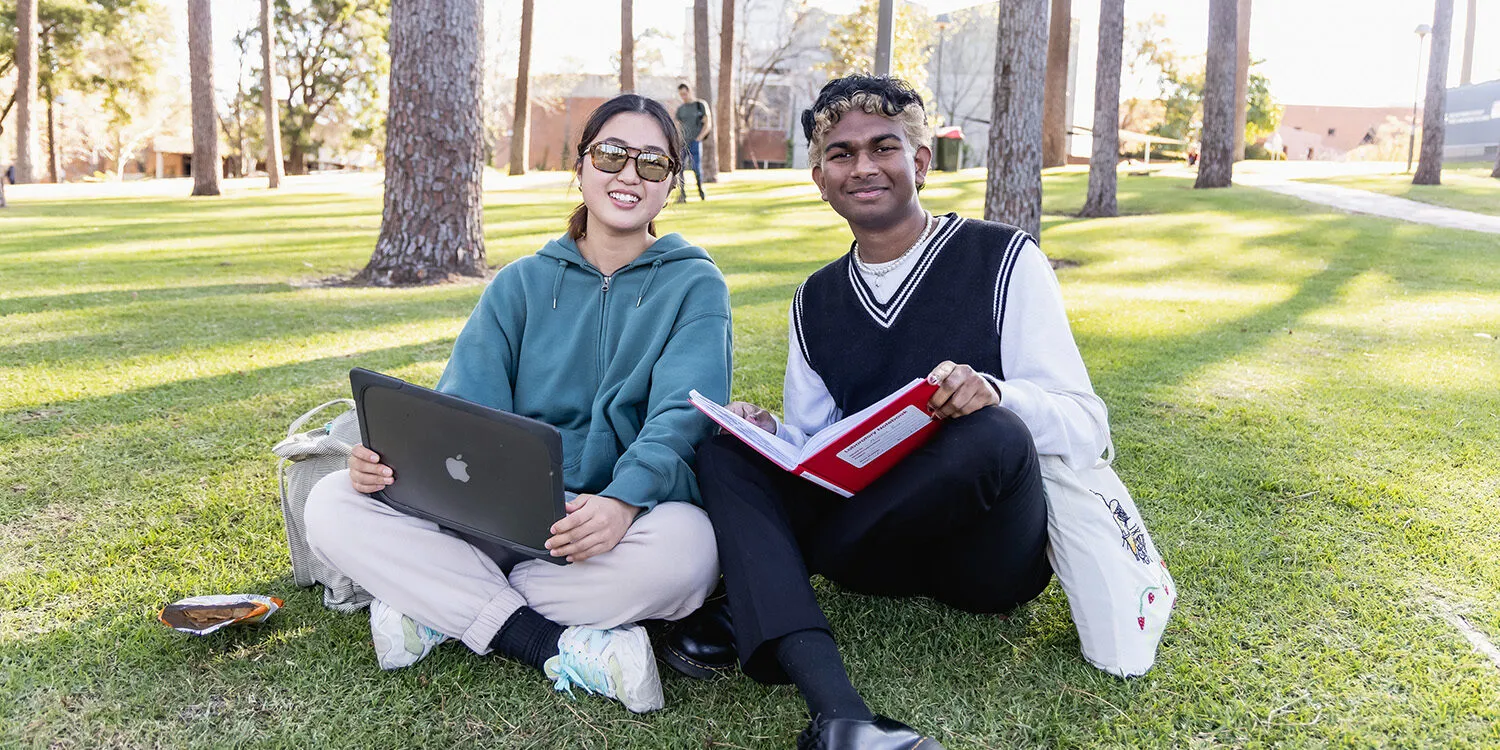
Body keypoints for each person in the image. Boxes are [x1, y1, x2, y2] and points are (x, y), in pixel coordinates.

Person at [664, 75, 1111, 749]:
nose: (863, 166)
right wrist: (771, 435)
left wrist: (996, 390)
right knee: (725, 448)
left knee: (990, 432)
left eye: (884, 147)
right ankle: (841, 716)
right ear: (820, 177)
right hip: (872, 552)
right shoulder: (814, 299)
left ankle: (761, 586)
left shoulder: (1004, 259)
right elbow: (816, 444)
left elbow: (1087, 425)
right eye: (841, 154)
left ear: (921, 162)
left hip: (988, 556)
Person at [303, 93, 733, 714]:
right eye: (611, 154)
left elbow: (683, 415)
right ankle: (546, 641)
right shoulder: (521, 283)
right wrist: (390, 466)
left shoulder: (696, 284)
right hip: (491, 519)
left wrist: (620, 503)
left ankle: (439, 608)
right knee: (333, 503)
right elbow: (461, 406)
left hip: (611, 525)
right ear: (581, 166)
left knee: (692, 551)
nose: (628, 175)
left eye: (652, 163)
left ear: (671, 183)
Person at [674, 82, 710, 203]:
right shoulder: (680, 109)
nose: (683, 97)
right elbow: (677, 125)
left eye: (684, 94)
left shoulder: (700, 105)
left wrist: (699, 138)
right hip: (683, 142)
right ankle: (682, 195)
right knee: (680, 168)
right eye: (681, 95)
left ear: (689, 91)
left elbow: (707, 123)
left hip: (695, 142)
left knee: (696, 168)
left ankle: (701, 193)